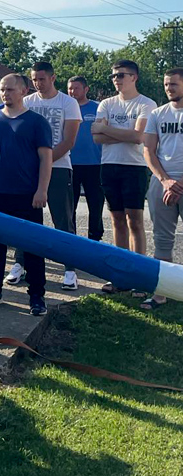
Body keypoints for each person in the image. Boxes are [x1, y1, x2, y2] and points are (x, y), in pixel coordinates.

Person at [0, 74, 53, 316]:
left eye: (10, 89)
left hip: (27, 194)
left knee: (32, 245)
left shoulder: (36, 122)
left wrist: (42, 189)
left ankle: (36, 295)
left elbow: (46, 158)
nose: (5, 93)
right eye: (2, 89)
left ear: (24, 91)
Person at [6, 61, 81, 291]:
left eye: (42, 79)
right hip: (28, 170)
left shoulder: (68, 103)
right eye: (34, 79)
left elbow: (68, 141)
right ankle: (20, 263)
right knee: (25, 219)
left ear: (52, 78)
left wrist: (45, 163)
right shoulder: (27, 102)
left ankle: (70, 269)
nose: (38, 83)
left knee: (63, 220)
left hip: (59, 168)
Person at [93, 59, 157, 291]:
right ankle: (120, 275)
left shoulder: (146, 104)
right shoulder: (106, 104)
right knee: (117, 220)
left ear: (134, 77)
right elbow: (96, 137)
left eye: (121, 75)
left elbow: (138, 137)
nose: (116, 80)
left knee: (135, 220)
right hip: (109, 165)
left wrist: (106, 129)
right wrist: (121, 133)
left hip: (134, 166)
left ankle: (138, 275)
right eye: (113, 76)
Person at [141, 68, 183, 309]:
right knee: (162, 239)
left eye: (173, 84)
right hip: (162, 182)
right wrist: (166, 181)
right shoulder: (158, 114)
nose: (169, 88)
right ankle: (161, 293)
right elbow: (148, 150)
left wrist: (179, 183)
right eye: (166, 84)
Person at [67, 75, 105, 243]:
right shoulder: (66, 107)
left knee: (95, 204)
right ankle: (71, 239)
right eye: (70, 88)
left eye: (76, 88)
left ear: (86, 89)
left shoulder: (98, 108)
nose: (72, 91)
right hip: (70, 164)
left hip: (94, 163)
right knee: (70, 205)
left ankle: (95, 238)